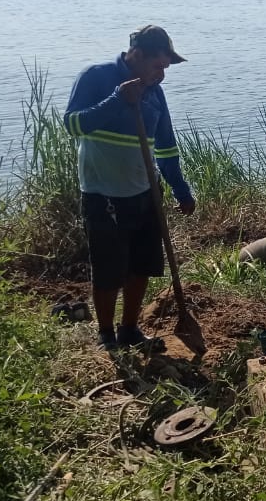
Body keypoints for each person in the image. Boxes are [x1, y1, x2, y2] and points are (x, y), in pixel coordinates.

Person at [64, 25, 196, 350]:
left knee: (142, 266)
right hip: (103, 195)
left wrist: (181, 190)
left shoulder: (155, 93)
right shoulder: (95, 76)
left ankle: (130, 329)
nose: (162, 74)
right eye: (158, 66)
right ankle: (106, 335)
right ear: (137, 55)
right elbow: (72, 124)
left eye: (165, 68)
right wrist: (117, 100)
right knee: (109, 270)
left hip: (145, 194)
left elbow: (166, 148)